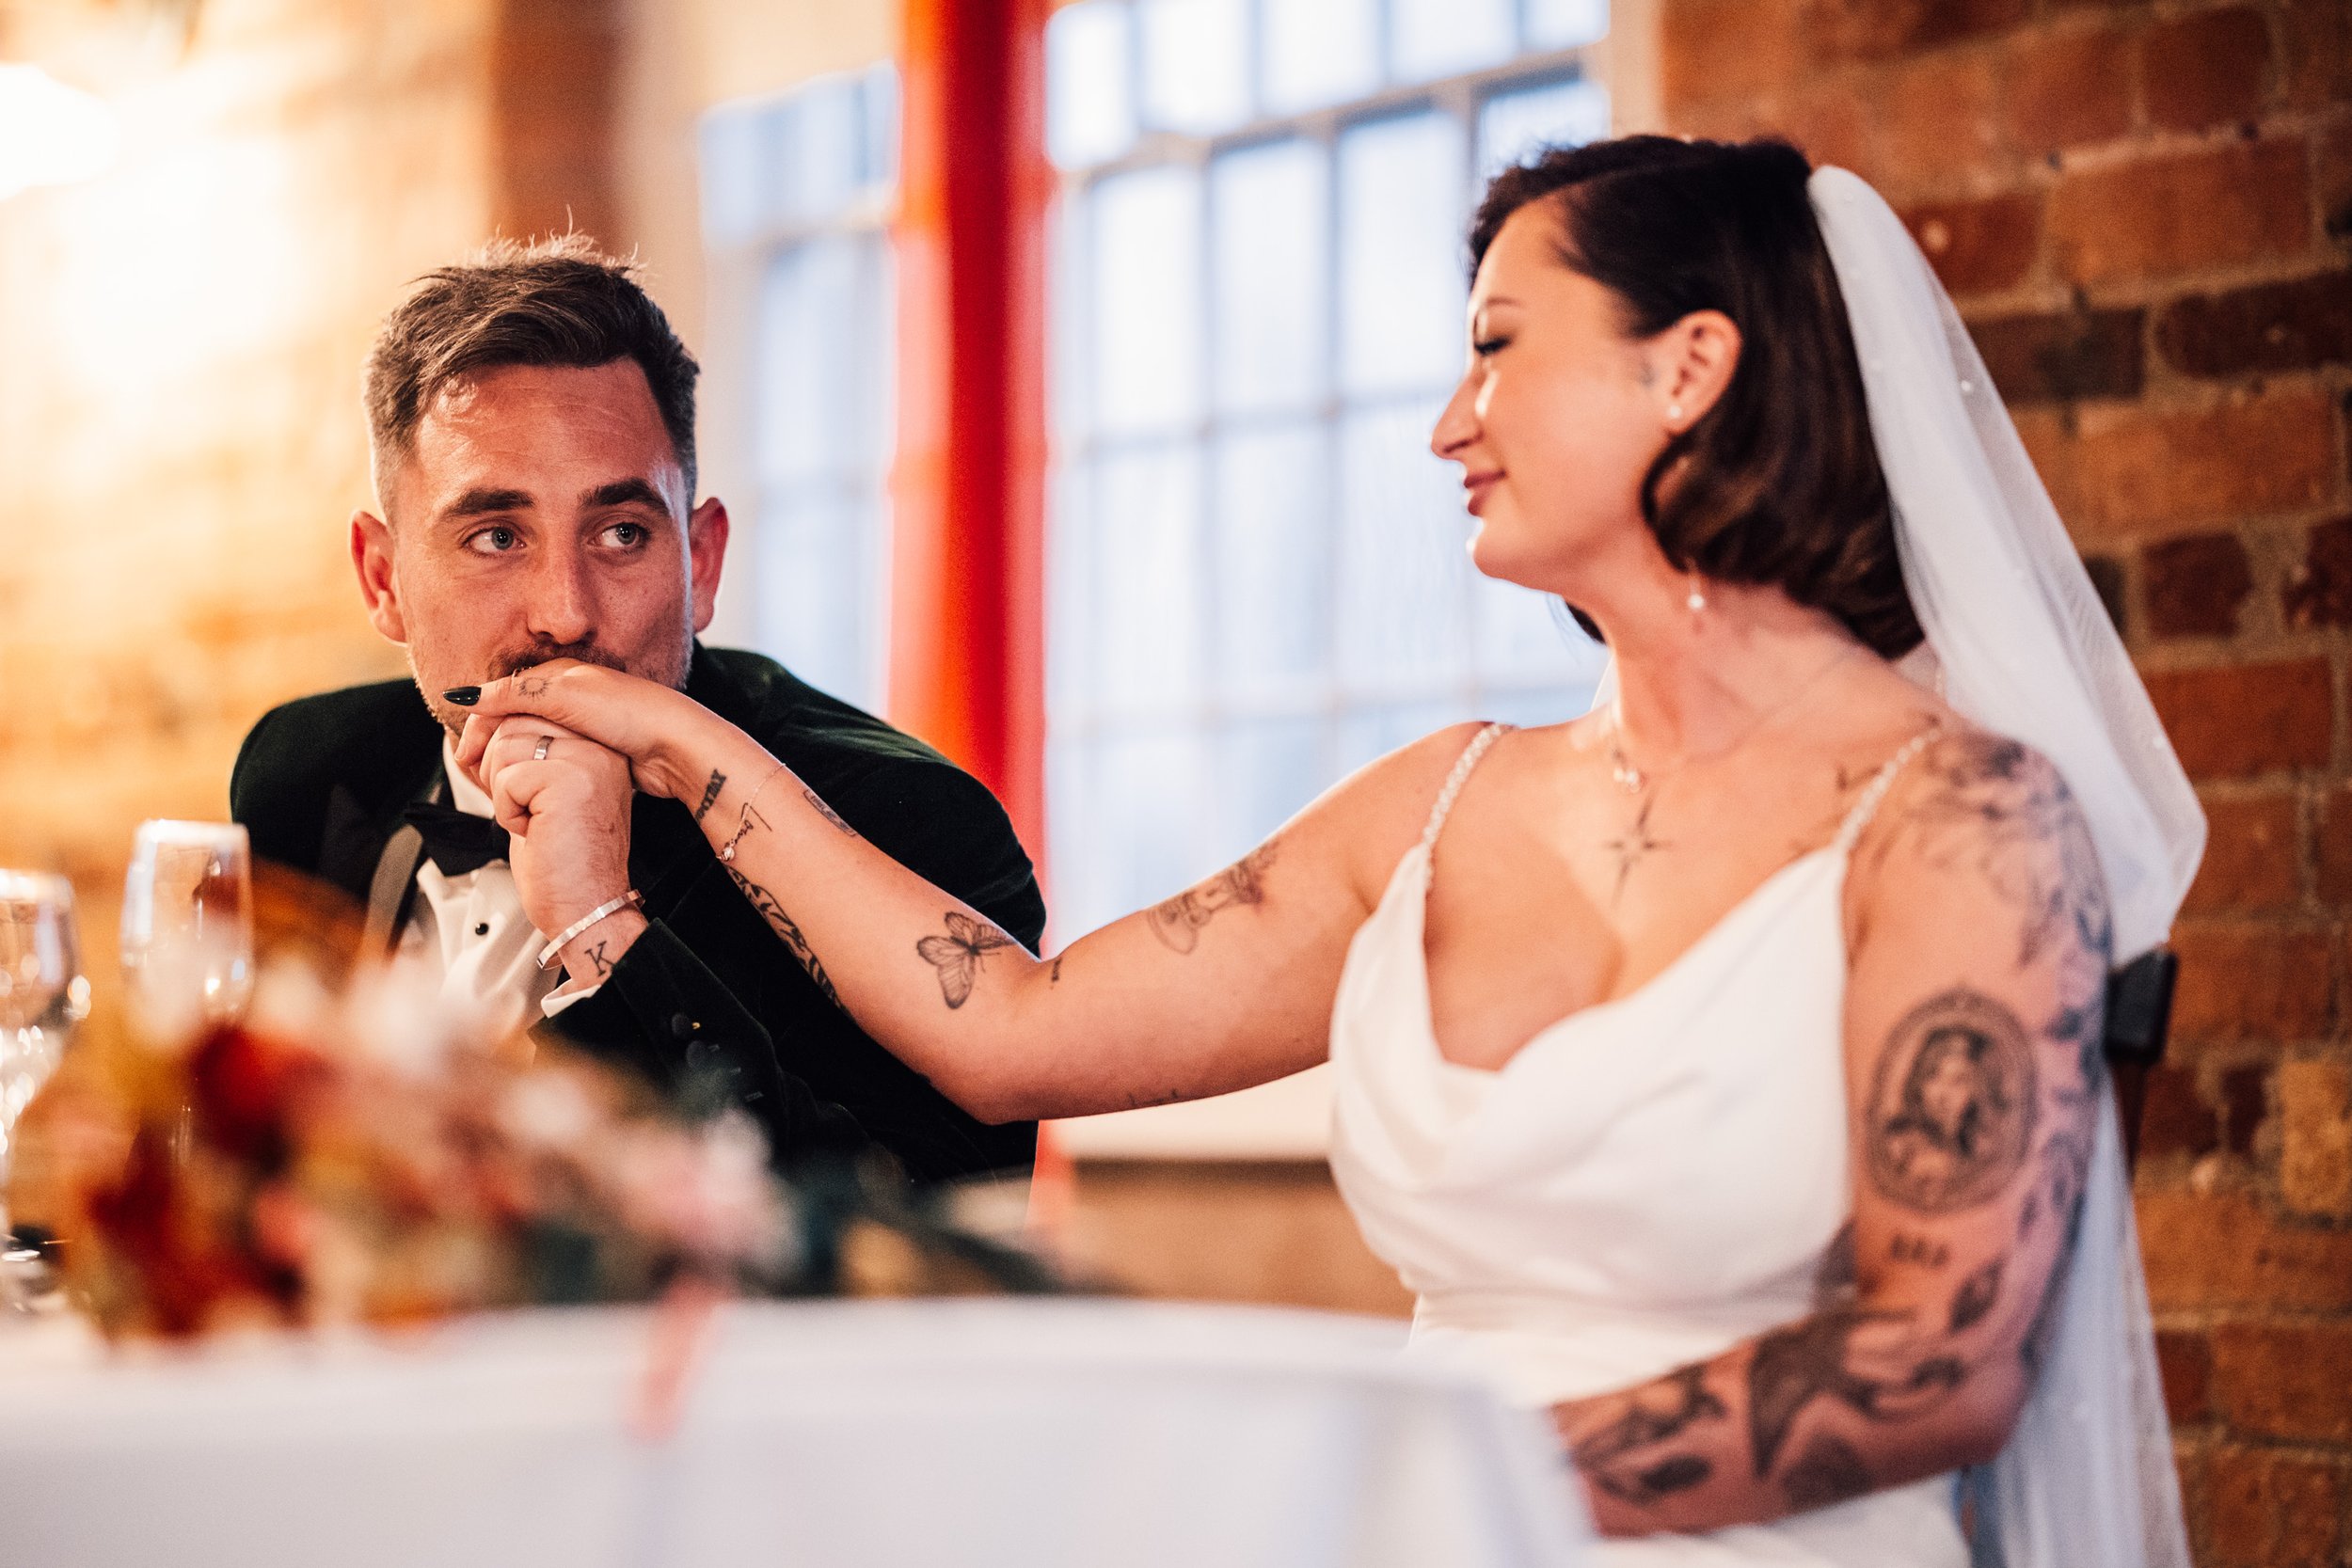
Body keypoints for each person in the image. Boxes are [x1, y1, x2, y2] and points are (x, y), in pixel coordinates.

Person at [449, 140, 2201, 1566]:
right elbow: (1009, 1028)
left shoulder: (1963, 821)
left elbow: (1937, 1362)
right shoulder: (1443, 803)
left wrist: (1414, 1475)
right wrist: (681, 742)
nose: (1451, 419)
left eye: (1501, 344)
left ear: (1688, 365)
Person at [229, 238, 1044, 1185]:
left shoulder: (911, 829)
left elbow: (921, 1246)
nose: (565, 614)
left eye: (621, 532)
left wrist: (601, 927)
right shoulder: (305, 774)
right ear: (383, 580)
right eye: (495, 536)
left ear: (701, 563)